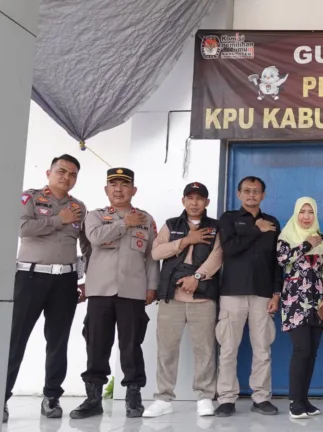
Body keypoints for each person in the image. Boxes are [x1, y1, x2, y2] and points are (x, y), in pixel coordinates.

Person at [4, 155, 89, 423]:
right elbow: (22, 229)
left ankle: (52, 397)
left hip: (65, 281)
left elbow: (86, 245)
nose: (66, 177)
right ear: (48, 173)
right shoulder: (30, 198)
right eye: (61, 171)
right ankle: (2, 396)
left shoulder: (79, 206)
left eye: (72, 174)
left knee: (58, 342)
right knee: (15, 340)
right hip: (30, 278)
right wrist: (58, 219)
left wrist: (86, 279)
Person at [70, 168, 159, 419]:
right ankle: (93, 399)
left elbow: (152, 256)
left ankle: (133, 397)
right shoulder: (95, 216)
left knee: (131, 346)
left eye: (124, 185)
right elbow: (95, 238)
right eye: (113, 185)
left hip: (133, 291)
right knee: (96, 344)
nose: (118, 189)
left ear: (133, 190)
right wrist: (123, 224)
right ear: (106, 189)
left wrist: (152, 286)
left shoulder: (146, 218)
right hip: (100, 290)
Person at [143, 182, 222, 418]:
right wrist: (186, 240)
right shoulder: (171, 225)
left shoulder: (216, 227)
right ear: (183, 201)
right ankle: (163, 398)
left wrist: (197, 277)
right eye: (190, 198)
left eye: (199, 198)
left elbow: (218, 256)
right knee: (166, 350)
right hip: (172, 298)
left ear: (207, 202)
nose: (194, 203)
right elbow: (156, 252)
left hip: (203, 298)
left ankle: (205, 397)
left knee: (205, 350)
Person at [215, 176, 281, 417]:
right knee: (228, 348)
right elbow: (229, 249)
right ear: (239, 194)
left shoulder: (272, 222)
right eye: (247, 191)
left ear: (263, 195)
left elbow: (277, 261)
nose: (251, 195)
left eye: (256, 191)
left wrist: (276, 293)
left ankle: (261, 397)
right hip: (232, 292)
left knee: (262, 348)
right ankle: (226, 398)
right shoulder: (229, 219)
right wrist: (255, 230)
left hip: (262, 294)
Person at [276, 197, 323, 419]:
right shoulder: (286, 238)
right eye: (302, 211)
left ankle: (304, 399)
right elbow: (283, 260)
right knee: (301, 349)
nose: (307, 216)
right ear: (296, 214)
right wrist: (307, 244)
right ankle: (294, 401)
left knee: (312, 352)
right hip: (295, 302)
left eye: (311, 212)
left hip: (318, 302)